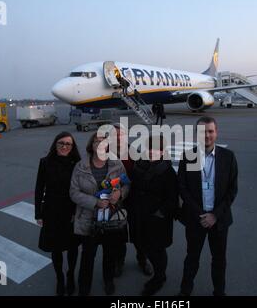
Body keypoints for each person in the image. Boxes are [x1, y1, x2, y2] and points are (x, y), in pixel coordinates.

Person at [177, 116, 238, 296]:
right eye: (203, 131)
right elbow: (182, 188)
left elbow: (232, 190)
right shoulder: (188, 157)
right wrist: (201, 214)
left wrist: (215, 215)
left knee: (219, 260)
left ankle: (219, 292)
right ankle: (184, 292)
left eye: (211, 131)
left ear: (216, 133)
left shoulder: (228, 157)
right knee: (191, 258)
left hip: (219, 220)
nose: (207, 135)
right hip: (196, 219)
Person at [69, 133, 129, 296]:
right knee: (87, 257)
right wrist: (94, 202)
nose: (100, 144)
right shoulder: (81, 166)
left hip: (110, 218)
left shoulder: (116, 164)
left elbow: (126, 185)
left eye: (103, 142)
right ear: (91, 145)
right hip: (89, 219)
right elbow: (73, 193)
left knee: (109, 254)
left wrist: (119, 194)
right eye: (97, 141)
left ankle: (108, 281)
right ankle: (84, 287)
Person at [128, 135, 179, 296]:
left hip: (157, 220)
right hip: (138, 215)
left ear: (163, 151)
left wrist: (158, 214)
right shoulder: (139, 166)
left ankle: (159, 276)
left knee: (157, 250)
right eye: (149, 148)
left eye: (156, 149)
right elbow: (133, 189)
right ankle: (142, 261)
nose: (151, 152)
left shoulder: (167, 171)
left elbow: (172, 199)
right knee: (140, 242)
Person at [35, 132, 81, 296]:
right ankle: (60, 277)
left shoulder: (77, 163)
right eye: (61, 143)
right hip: (52, 210)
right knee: (56, 248)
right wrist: (38, 214)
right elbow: (39, 188)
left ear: (72, 147)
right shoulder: (45, 162)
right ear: (55, 144)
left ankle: (70, 276)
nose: (64, 146)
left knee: (72, 247)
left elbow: (81, 189)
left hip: (71, 211)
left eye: (68, 144)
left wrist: (77, 211)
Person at [112, 123, 153, 278]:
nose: (118, 138)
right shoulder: (104, 153)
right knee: (119, 234)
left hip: (134, 199)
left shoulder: (133, 152)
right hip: (115, 201)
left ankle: (142, 259)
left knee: (138, 233)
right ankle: (119, 261)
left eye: (120, 135)